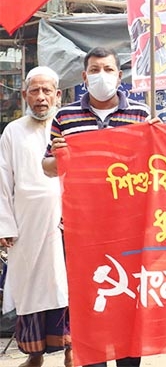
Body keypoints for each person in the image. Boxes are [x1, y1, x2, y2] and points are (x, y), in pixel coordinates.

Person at [42, 47, 151, 367]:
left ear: (120, 76)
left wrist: (157, 137)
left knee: (129, 299)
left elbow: (154, 164)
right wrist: (58, 156)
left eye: (107, 69)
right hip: (81, 227)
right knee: (88, 300)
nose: (100, 75)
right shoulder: (65, 117)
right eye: (94, 69)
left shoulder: (141, 115)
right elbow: (47, 166)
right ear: (84, 76)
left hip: (129, 226)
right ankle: (93, 361)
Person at [0, 67, 69, 367]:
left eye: (47, 91)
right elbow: (3, 180)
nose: (41, 98)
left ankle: (72, 350)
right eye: (34, 91)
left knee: (67, 287)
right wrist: (4, 224)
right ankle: (35, 354)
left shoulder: (68, 125)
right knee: (30, 288)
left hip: (67, 223)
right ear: (25, 94)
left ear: (58, 94)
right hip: (26, 225)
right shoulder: (12, 131)